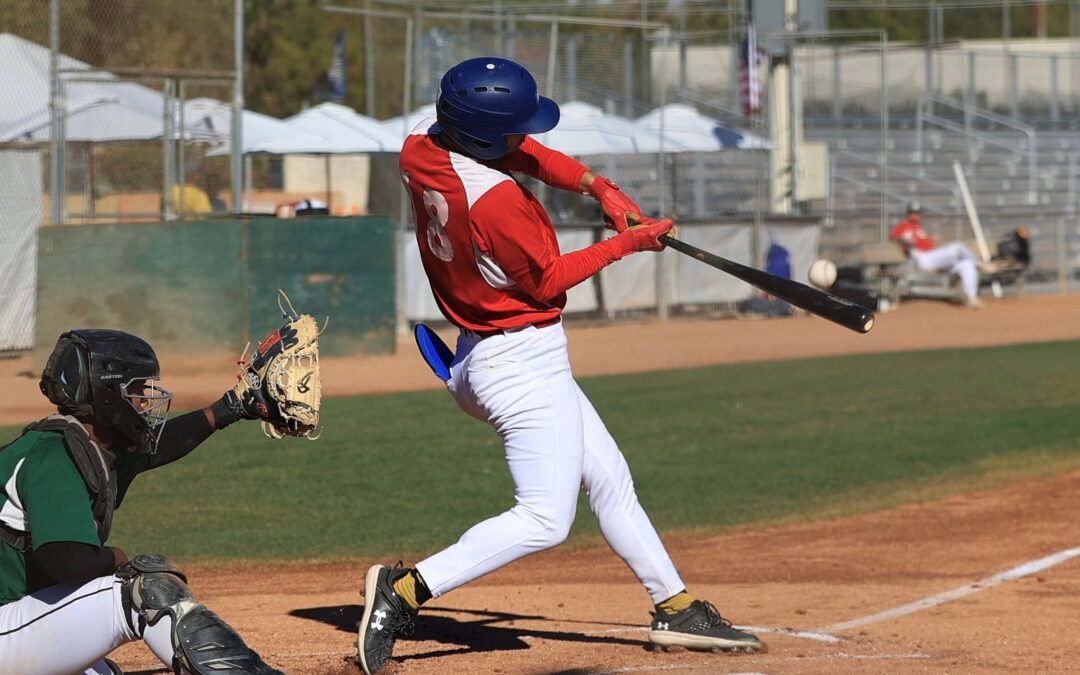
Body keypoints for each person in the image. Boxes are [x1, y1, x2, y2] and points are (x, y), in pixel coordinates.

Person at [356, 56, 764, 675]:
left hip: (488, 345)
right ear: (484, 137)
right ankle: (404, 591)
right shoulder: (498, 206)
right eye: (516, 130)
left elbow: (522, 154)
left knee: (609, 476)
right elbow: (548, 282)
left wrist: (599, 187)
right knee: (546, 518)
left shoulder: (421, 140)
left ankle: (673, 606)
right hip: (518, 362)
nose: (527, 138)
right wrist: (629, 243)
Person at [0, 329, 287, 674]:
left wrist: (230, 408)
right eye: (137, 391)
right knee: (145, 591)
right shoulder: (55, 455)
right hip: (7, 628)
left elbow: (157, 448)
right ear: (108, 396)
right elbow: (67, 562)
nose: (146, 401)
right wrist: (116, 558)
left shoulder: (83, 446)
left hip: (16, 623)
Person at [889, 200, 985, 308]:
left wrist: (931, 239)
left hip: (934, 258)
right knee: (958, 246)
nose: (916, 215)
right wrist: (904, 239)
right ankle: (982, 264)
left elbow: (922, 240)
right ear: (908, 213)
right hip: (923, 259)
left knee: (967, 265)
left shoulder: (918, 227)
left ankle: (971, 299)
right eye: (913, 212)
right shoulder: (904, 226)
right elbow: (893, 235)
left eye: (918, 212)